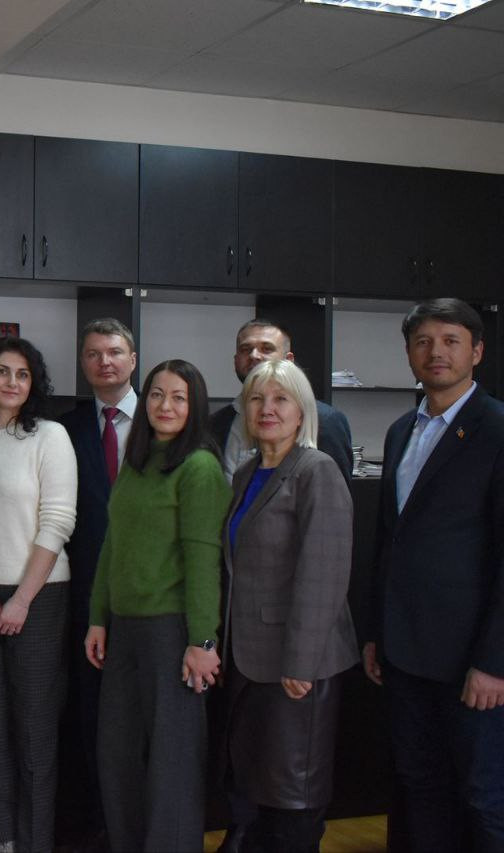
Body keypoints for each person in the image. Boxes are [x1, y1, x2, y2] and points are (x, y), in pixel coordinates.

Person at [362, 298, 504, 852]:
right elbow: (389, 544)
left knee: (484, 798)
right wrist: (377, 632)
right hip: (404, 654)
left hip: (472, 662)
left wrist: (494, 662)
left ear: (477, 351)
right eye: (423, 341)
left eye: (450, 341)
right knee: (420, 786)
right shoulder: (402, 430)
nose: (435, 352)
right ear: (408, 353)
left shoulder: (496, 429)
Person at [84, 359, 229, 853]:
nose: (165, 406)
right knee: (117, 756)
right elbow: (113, 544)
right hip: (124, 629)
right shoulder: (137, 460)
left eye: (179, 397)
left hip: (173, 632)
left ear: (196, 406)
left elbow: (204, 559)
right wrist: (98, 617)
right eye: (157, 395)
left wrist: (203, 640)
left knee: (173, 763)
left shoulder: (200, 467)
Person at [223, 358, 357, 852]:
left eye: (281, 399)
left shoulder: (316, 470)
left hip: (298, 666)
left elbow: (324, 574)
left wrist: (300, 663)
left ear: (303, 412)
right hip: (251, 662)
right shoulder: (246, 472)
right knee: (260, 796)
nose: (267, 409)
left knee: (294, 802)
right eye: (257, 399)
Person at [0, 336, 77, 853]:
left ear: (34, 384)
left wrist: (22, 600)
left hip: (40, 595)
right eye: (2, 371)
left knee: (34, 730)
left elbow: (58, 521)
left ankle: (35, 842)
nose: (12, 382)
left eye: (23, 374)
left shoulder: (50, 436)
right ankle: (3, 840)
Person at [55, 317, 138, 845]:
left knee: (140, 718)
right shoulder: (64, 428)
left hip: (150, 595)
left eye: (114, 352)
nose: (104, 362)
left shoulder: (163, 419)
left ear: (132, 359)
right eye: (93, 354)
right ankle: (96, 827)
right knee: (90, 713)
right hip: (85, 593)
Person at [208, 318, 353, 483]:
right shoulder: (217, 423)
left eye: (266, 348)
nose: (254, 355)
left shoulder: (325, 420)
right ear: (235, 361)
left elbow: (334, 492)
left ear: (288, 360)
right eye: (245, 349)